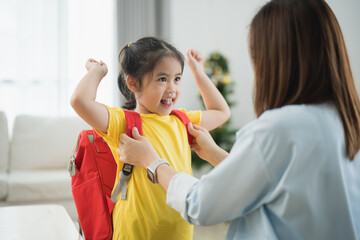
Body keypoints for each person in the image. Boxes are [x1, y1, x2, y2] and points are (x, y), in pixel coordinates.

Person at [117, 1, 360, 239]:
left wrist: (153, 162)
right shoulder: (346, 122)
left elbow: (200, 204)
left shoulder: (278, 130)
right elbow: (273, 181)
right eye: (163, 79)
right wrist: (214, 153)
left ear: (276, 60)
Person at [70, 37, 230, 239]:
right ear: (133, 83)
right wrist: (97, 71)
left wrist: (198, 73)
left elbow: (221, 112)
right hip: (135, 233)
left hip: (178, 231)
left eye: (177, 78)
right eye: (162, 79)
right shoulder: (122, 123)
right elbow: (79, 101)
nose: (172, 88)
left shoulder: (181, 120)